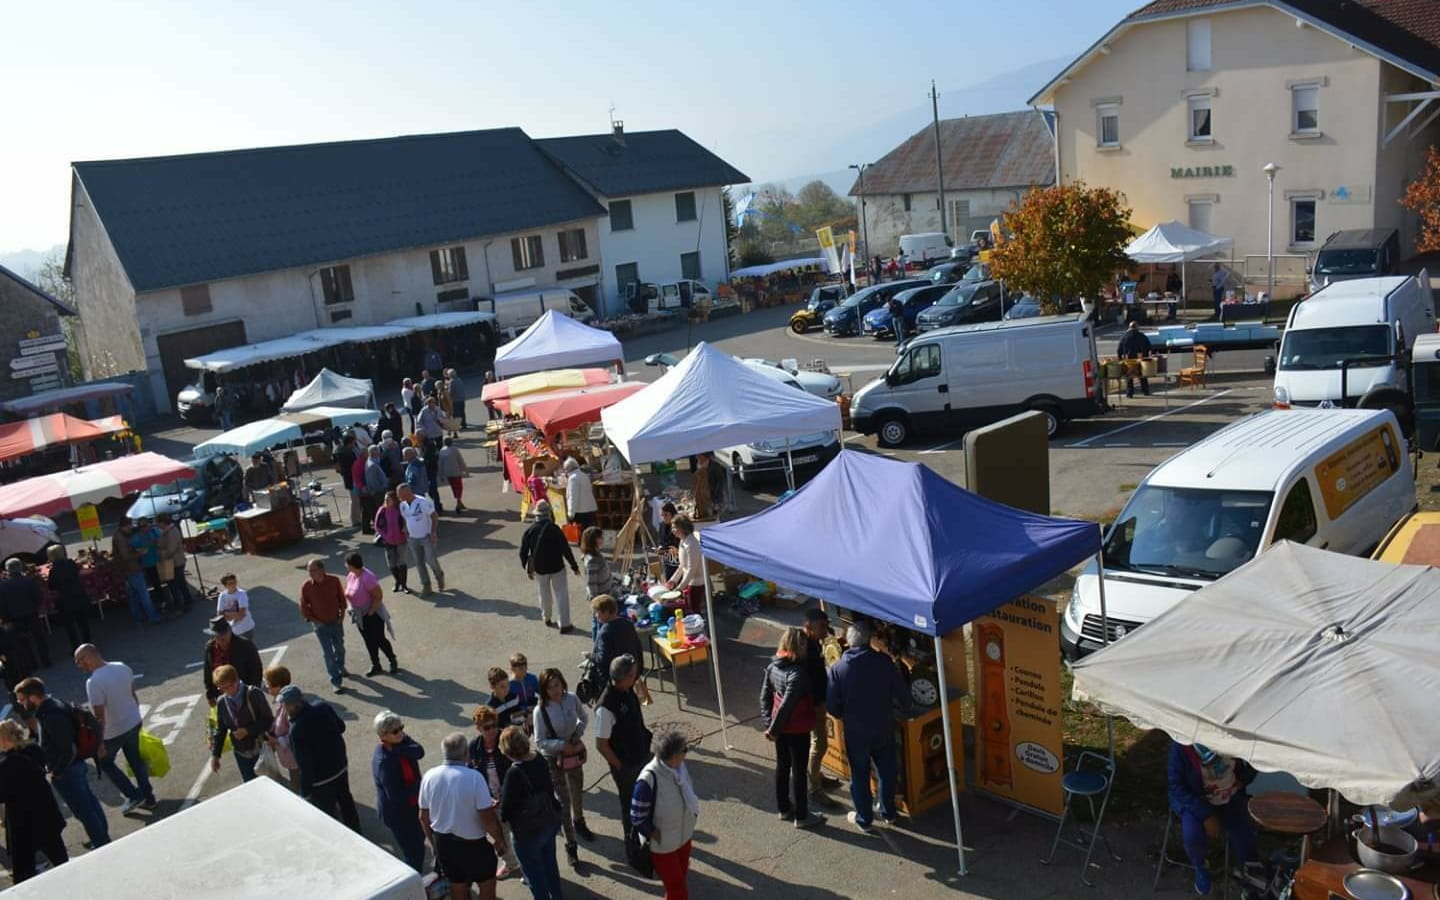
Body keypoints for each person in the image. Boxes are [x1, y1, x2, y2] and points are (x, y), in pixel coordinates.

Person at [827, 620, 910, 832]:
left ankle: (864, 818)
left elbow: (833, 707)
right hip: (883, 726)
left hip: (856, 732)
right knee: (887, 770)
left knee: (860, 775)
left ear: (848, 641)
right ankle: (888, 811)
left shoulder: (838, 669)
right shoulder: (884, 662)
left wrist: (846, 715)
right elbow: (902, 695)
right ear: (868, 640)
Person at [13, 676, 110, 848]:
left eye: (22, 699)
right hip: (73, 768)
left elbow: (68, 750)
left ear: (33, 697)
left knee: (84, 810)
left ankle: (101, 842)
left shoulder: (51, 716)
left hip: (68, 771)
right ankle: (100, 835)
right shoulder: (52, 706)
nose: (20, 703)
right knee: (89, 803)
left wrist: (56, 772)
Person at [420, 732, 510, 900]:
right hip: (474, 846)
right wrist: (499, 840)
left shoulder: (429, 777)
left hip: (444, 844)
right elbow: (487, 817)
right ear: (465, 754)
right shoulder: (474, 778)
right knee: (487, 886)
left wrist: (435, 844)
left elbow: (423, 817)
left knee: (457, 887)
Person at [1168, 741, 1259, 895]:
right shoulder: (1182, 745)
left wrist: (1243, 778)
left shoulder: (1232, 737)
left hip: (1229, 794)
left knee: (1244, 836)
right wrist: (1206, 815)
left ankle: (1251, 876)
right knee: (1192, 837)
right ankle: (1200, 865)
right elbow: (1176, 785)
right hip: (1195, 798)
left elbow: (1258, 756)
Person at [75, 643, 156, 813]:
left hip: (114, 731)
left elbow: (99, 716)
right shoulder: (122, 667)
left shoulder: (93, 682)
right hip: (133, 722)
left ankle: (133, 794)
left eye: (81, 660)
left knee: (105, 762)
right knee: (136, 761)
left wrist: (100, 742)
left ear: (90, 656)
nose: (80, 665)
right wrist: (137, 715)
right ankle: (149, 797)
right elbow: (132, 694)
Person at [760, 627, 823, 828]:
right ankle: (802, 816)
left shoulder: (773, 667)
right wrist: (772, 730)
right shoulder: (797, 674)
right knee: (798, 771)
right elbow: (787, 704)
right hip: (796, 729)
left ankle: (784, 808)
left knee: (782, 766)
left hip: (780, 730)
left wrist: (769, 724)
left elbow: (765, 697)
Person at [534, 666, 594, 868]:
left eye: (557, 685)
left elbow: (584, 717)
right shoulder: (540, 710)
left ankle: (580, 821)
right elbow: (540, 742)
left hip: (573, 754)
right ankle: (571, 845)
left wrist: (576, 735)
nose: (555, 690)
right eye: (550, 687)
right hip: (554, 760)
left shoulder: (571, 699)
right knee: (563, 801)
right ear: (544, 690)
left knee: (577, 791)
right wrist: (561, 746)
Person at [631, 728, 700, 900]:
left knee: (679, 881)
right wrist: (656, 835)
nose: (686, 754)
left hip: (683, 838)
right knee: (677, 888)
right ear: (671, 756)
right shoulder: (648, 779)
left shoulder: (680, 769)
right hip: (663, 846)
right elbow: (637, 817)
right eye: (683, 750)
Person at [499, 726, 565, 900]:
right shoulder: (539, 758)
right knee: (551, 867)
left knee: (535, 877)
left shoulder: (514, 773)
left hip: (527, 833)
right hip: (548, 823)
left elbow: (505, 812)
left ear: (507, 750)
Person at [282, 685, 360, 832]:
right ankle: (357, 831)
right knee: (346, 800)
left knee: (329, 814)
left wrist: (305, 793)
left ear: (292, 706)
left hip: (321, 781)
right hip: (340, 767)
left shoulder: (296, 729)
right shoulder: (323, 707)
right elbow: (341, 727)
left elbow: (304, 765)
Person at [595, 654, 651, 842]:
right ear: (624, 677)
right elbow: (601, 744)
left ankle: (648, 836)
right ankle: (634, 845)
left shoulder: (627, 690)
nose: (636, 676)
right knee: (631, 807)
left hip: (641, 755)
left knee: (647, 800)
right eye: (633, 674)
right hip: (626, 765)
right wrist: (620, 766)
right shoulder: (606, 707)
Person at [467, 705, 524, 880]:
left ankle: (527, 866)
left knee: (519, 833)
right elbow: (472, 774)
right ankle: (511, 864)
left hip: (512, 797)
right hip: (491, 800)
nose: (492, 730)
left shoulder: (505, 740)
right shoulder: (474, 747)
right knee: (500, 835)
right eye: (487, 727)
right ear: (478, 729)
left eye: (494, 725)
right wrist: (486, 797)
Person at [373, 710, 427, 872]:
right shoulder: (385, 762)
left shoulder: (400, 743)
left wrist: (399, 749)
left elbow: (419, 751)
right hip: (399, 815)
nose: (401, 733)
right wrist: (421, 786)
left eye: (401, 727)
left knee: (419, 841)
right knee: (414, 853)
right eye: (395, 731)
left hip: (412, 806)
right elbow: (396, 796)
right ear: (384, 735)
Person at [520, 500, 579, 632]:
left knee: (544, 593)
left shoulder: (530, 530)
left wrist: (527, 568)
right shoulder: (555, 529)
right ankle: (564, 624)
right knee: (561, 594)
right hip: (557, 566)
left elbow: (523, 552)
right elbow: (565, 549)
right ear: (548, 514)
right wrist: (574, 566)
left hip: (540, 568)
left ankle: (546, 617)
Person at [209, 663, 274, 783]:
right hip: (241, 753)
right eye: (221, 688)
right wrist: (215, 755)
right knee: (250, 786)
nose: (225, 691)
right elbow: (221, 729)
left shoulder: (254, 694)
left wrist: (247, 731)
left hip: (260, 749)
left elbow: (268, 720)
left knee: (270, 784)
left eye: (227, 687)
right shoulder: (222, 702)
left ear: (236, 681)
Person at [802, 608, 839, 799]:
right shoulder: (805, 649)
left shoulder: (815, 643)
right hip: (814, 703)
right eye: (822, 626)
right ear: (809, 627)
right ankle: (814, 786)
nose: (826, 630)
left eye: (827, 626)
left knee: (818, 742)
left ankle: (816, 775)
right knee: (820, 743)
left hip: (819, 700)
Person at [343, 551, 398, 676]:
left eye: (347, 564)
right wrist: (351, 608)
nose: (346, 566)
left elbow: (378, 596)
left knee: (379, 639)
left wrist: (370, 613)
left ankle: (392, 660)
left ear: (352, 565)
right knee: (368, 641)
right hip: (359, 615)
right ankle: (376, 664)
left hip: (372, 614)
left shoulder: (367, 577)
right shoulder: (351, 575)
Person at [300, 558, 348, 692]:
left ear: (322, 570)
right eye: (309, 571)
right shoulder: (307, 586)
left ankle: (340, 666)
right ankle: (335, 681)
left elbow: (341, 599)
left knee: (340, 648)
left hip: (336, 622)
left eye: (313, 570)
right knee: (328, 654)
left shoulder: (333, 580)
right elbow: (304, 606)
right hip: (320, 626)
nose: (310, 573)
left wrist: (342, 617)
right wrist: (315, 621)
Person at [591, 595, 648, 705]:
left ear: (607, 612)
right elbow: (637, 648)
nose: (596, 616)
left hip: (614, 680)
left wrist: (591, 656)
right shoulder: (627, 624)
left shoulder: (605, 631)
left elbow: (602, 659)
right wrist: (637, 672)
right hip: (630, 676)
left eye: (597, 612)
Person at [202, 616, 263, 705]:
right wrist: (210, 695)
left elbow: (256, 671)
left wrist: (252, 694)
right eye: (218, 635)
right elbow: (207, 672)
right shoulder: (210, 648)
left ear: (230, 631)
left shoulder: (245, 645)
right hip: (222, 698)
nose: (221, 638)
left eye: (224, 633)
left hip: (244, 695)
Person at [1, 559, 51, 667]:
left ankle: (32, 663)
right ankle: (46, 661)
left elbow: (3, 605)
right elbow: (39, 597)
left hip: (15, 617)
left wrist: (6, 618)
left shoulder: (3, 586)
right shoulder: (29, 581)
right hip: (32, 614)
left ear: (8, 570)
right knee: (39, 639)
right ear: (20, 567)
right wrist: (34, 607)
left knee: (24, 642)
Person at [398, 483, 445, 595]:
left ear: (408, 493)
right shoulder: (403, 505)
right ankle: (426, 586)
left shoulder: (422, 502)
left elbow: (434, 516)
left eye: (400, 494)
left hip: (426, 537)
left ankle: (439, 575)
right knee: (419, 563)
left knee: (430, 560)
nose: (399, 496)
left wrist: (433, 532)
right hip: (412, 538)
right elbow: (405, 517)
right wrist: (405, 528)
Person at [45, 545, 92, 650]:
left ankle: (75, 647)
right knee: (83, 623)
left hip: (65, 600)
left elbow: (52, 586)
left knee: (70, 627)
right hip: (79, 595)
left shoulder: (54, 570)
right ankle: (88, 644)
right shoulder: (71, 564)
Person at [262, 664, 301, 789]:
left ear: (278, 686)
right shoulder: (279, 701)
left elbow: (294, 732)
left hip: (296, 758)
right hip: (290, 757)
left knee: (299, 789)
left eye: (268, 684)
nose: (266, 687)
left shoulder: (288, 706)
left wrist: (277, 741)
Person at [112, 519, 158, 624]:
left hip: (127, 569)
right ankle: (153, 617)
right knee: (143, 594)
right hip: (132, 568)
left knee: (133, 595)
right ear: (125, 526)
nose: (131, 528)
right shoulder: (120, 538)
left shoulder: (119, 535)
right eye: (130, 526)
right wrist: (140, 553)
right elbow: (125, 556)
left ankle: (138, 617)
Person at [664, 515, 706, 614]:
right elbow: (682, 566)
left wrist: (680, 587)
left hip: (696, 583)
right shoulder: (683, 541)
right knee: (689, 609)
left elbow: (692, 569)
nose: (672, 530)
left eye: (675, 527)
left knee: (694, 610)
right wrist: (672, 581)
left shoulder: (692, 544)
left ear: (683, 528)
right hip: (689, 582)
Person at [374, 490, 412, 593]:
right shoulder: (382, 510)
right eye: (385, 499)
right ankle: (397, 582)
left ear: (394, 500)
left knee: (402, 563)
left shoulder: (400, 509)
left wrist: (405, 528)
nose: (386, 501)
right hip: (389, 542)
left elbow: (407, 520)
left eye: (388, 499)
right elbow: (377, 526)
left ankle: (404, 585)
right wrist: (386, 537)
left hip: (401, 540)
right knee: (391, 564)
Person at [156, 514, 193, 611]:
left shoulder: (172, 532)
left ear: (162, 523)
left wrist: (161, 553)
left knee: (174, 585)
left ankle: (181, 605)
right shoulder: (166, 532)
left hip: (176, 562)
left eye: (158, 523)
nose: (157, 525)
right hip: (175, 562)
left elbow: (171, 550)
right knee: (180, 584)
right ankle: (187, 602)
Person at [215, 572, 256, 641]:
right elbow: (219, 615)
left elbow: (242, 614)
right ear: (225, 586)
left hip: (246, 629)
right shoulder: (222, 596)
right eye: (230, 584)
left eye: (234, 582)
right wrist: (235, 614)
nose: (234, 585)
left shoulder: (241, 594)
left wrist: (226, 613)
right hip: (232, 632)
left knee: (250, 651)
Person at [486, 666, 528, 733]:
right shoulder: (491, 706)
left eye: (508, 684)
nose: (507, 689)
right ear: (492, 686)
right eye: (502, 686)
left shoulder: (514, 697)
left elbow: (520, 713)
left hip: (518, 732)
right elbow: (494, 727)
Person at [1117, 320, 1152, 399]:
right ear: (1137, 327)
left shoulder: (1125, 336)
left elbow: (1119, 349)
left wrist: (1120, 359)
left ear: (1129, 327)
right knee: (1142, 375)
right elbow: (1149, 346)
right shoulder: (1142, 336)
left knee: (1129, 376)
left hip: (1129, 359)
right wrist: (1147, 356)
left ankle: (1130, 393)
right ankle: (1145, 390)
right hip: (1141, 358)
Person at [563, 457, 597, 532]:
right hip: (590, 509)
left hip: (580, 511)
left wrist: (571, 513)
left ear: (568, 469)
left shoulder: (573, 479)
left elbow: (573, 497)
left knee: (582, 535)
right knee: (590, 534)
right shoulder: (584, 475)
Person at [437, 437, 470, 512]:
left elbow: (440, 464)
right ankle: (458, 502)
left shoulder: (442, 451)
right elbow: (460, 460)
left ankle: (459, 502)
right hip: (456, 471)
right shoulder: (455, 450)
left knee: (454, 487)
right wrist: (465, 470)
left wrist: (441, 474)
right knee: (459, 487)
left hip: (448, 472)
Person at [335, 431, 360, 527]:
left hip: (347, 478)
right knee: (355, 500)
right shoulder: (349, 453)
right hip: (353, 479)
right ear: (350, 442)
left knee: (353, 500)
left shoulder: (339, 451)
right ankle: (355, 520)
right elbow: (354, 467)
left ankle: (356, 518)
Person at [656, 501, 680, 580]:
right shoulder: (662, 525)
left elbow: (677, 542)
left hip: (677, 560)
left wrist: (666, 548)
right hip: (667, 559)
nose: (664, 518)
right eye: (662, 515)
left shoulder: (678, 526)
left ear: (672, 514)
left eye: (666, 515)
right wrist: (660, 546)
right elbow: (660, 539)